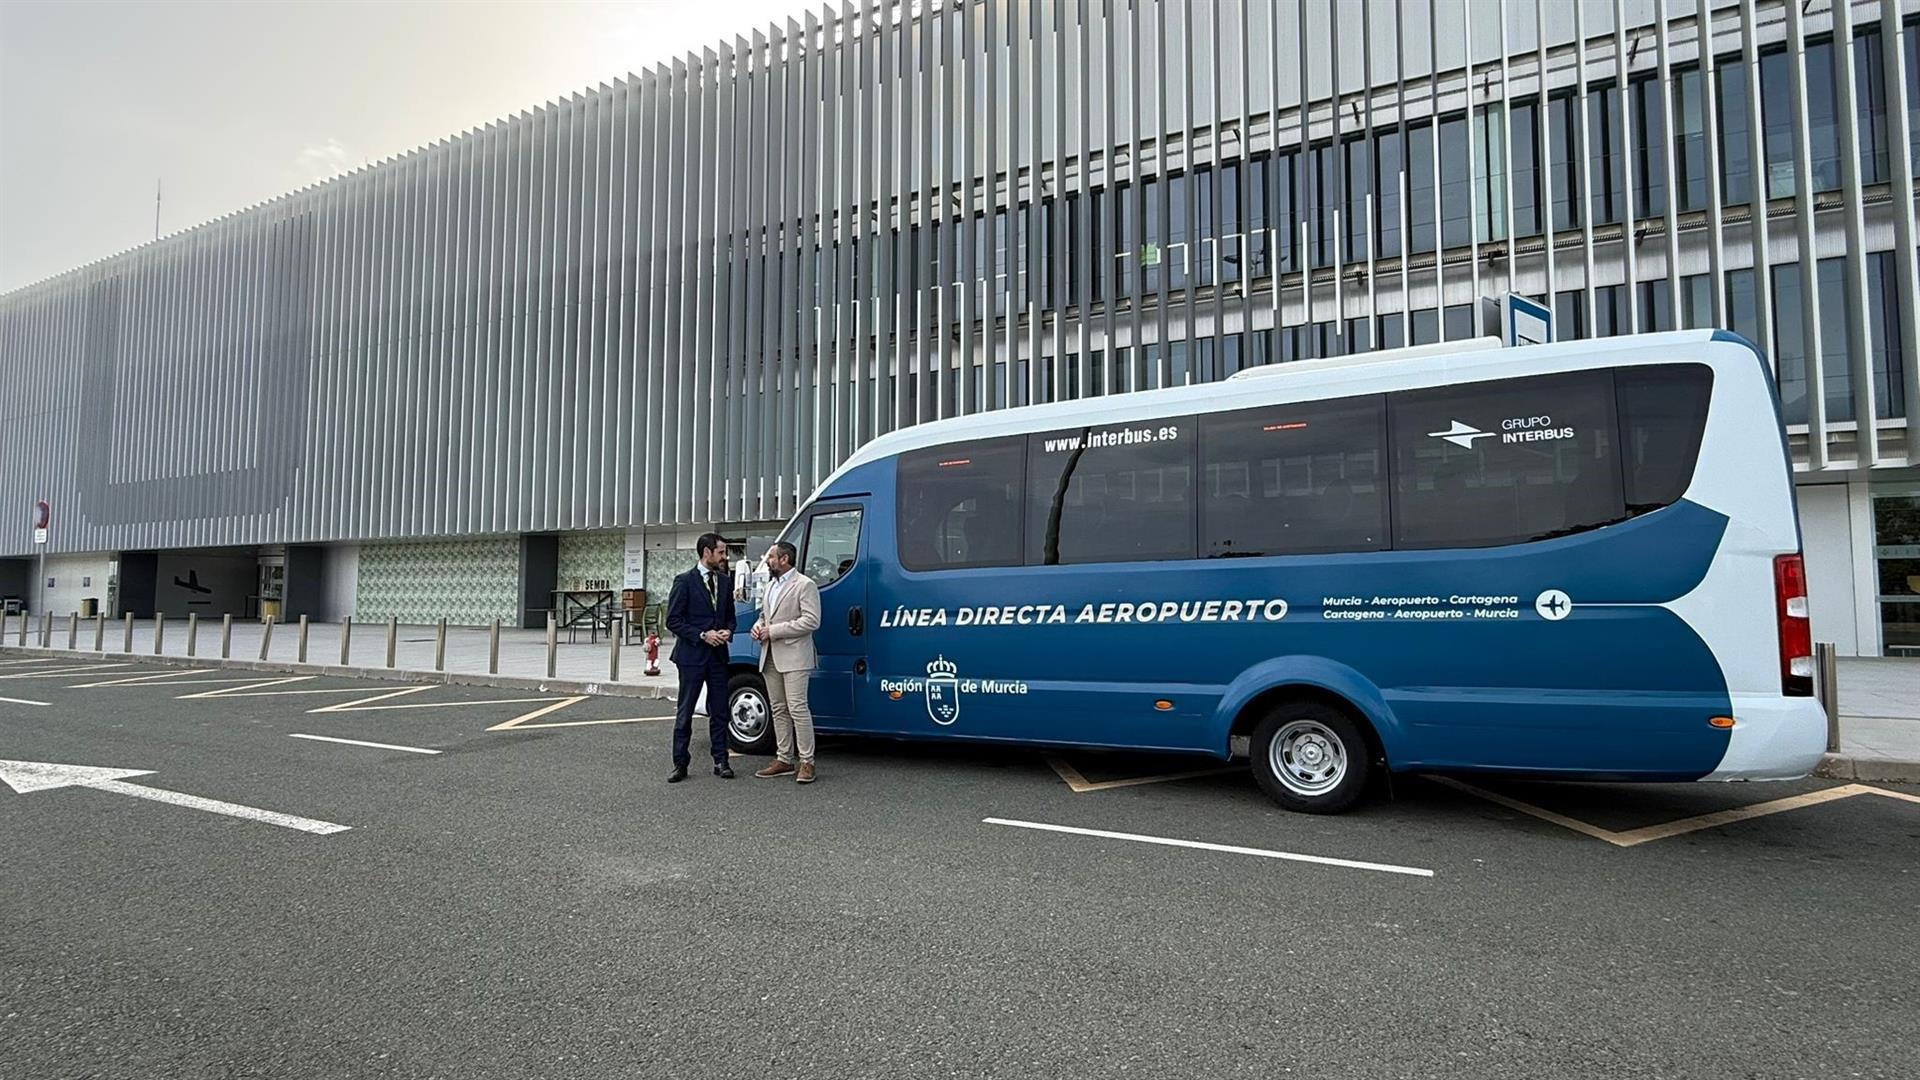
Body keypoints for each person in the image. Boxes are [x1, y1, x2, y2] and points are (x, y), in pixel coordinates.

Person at [666, 532, 736, 782]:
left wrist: (729, 630)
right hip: (692, 657)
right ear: (707, 553)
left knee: (720, 711)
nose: (724, 556)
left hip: (718, 657)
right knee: (685, 712)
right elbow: (673, 621)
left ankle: (721, 760)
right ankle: (680, 763)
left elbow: (730, 617)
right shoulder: (684, 581)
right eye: (721, 552)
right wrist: (702, 634)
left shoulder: (725, 582)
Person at [750, 541, 822, 784]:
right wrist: (758, 626)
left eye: (771, 556)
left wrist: (774, 631)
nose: (767, 560)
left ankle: (807, 762)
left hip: (795, 657)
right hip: (770, 655)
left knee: (798, 709)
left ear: (784, 560)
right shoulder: (771, 585)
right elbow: (764, 616)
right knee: (779, 709)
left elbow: (812, 621)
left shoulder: (805, 585)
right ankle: (784, 759)